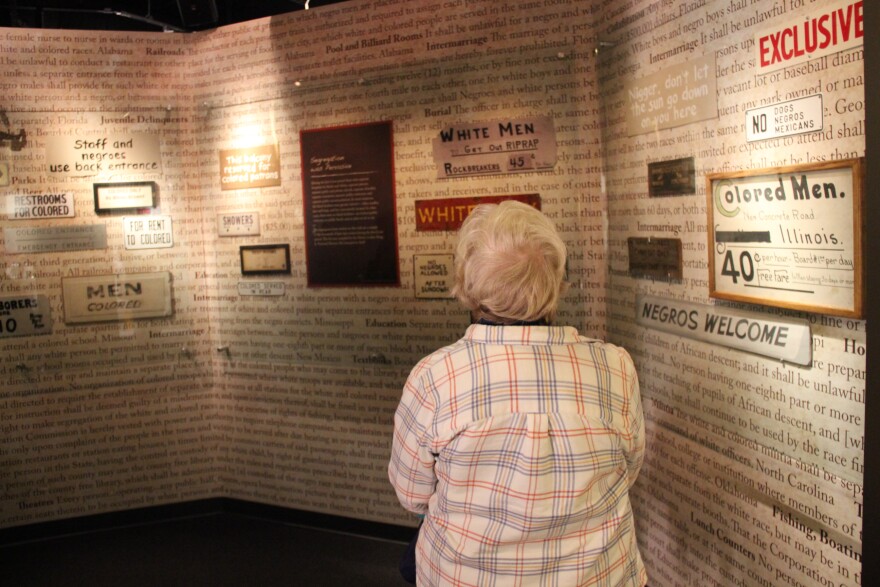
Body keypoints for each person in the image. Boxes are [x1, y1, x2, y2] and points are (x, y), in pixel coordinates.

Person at [389, 200, 647, 586]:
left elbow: (412, 495)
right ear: (557, 281)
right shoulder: (615, 366)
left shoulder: (435, 376)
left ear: (468, 285)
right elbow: (628, 470)